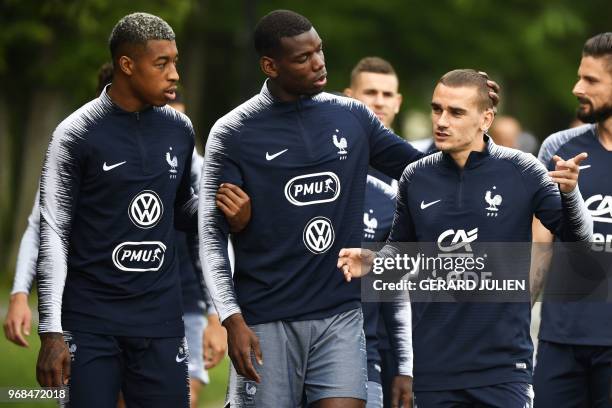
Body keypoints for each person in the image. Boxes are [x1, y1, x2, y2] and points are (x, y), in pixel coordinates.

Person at [200, 9, 499, 407]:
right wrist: (232, 319)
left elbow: (423, 169)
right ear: (270, 66)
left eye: (320, 51)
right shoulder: (233, 131)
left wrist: (477, 130)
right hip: (266, 317)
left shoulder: (352, 116)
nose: (319, 63)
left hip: (340, 314)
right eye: (303, 58)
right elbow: (210, 235)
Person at [338, 69, 592, 407]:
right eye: (437, 109)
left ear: (485, 118)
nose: (442, 120)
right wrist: (372, 260)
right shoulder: (415, 176)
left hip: (504, 369)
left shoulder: (524, 170)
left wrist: (570, 194)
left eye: (456, 112)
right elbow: (402, 253)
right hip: (434, 372)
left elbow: (580, 242)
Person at [35, 12, 224, 407]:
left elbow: (181, 211)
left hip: (160, 320)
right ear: (126, 65)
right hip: (90, 322)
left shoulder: (179, 129)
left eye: (175, 61)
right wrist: (51, 332)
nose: (174, 74)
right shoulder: (75, 133)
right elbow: (52, 230)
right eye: (162, 63)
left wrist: (220, 208)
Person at [532, 32, 612, 408]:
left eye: (591, 80)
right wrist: (517, 318)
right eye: (580, 76)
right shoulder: (557, 148)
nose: (577, 86)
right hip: (559, 343)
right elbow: (540, 248)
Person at [344, 56, 411, 408]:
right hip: (341, 334)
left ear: (398, 102)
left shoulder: (412, 171)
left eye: (388, 94)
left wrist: (406, 364)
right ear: (349, 96)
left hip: (393, 337)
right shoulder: (333, 163)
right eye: (370, 92)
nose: (379, 101)